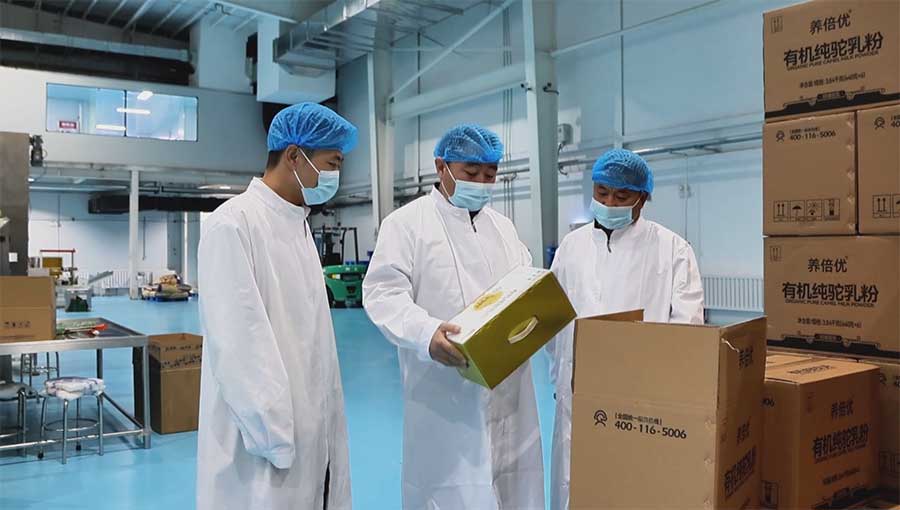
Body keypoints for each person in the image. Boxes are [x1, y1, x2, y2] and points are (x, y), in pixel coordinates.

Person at [362, 124, 544, 510]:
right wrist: (426, 333)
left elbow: (525, 284)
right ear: (440, 166)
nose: (481, 183)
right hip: (442, 388)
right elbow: (382, 293)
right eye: (471, 173)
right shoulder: (407, 224)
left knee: (512, 482)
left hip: (508, 382)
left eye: (490, 175)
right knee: (449, 487)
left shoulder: (503, 228)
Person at [195, 102, 358, 510]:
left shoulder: (297, 225)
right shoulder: (233, 224)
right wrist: (277, 438)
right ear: (294, 156)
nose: (335, 176)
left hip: (310, 436)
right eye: (332, 163)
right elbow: (240, 345)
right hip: (263, 446)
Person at [546, 148, 705, 510]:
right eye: (601, 193)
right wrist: (559, 375)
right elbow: (554, 317)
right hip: (576, 389)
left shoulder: (672, 249)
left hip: (640, 394)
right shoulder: (572, 246)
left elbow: (687, 327)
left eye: (621, 196)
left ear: (642, 198)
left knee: (633, 483)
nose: (608, 203)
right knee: (575, 478)